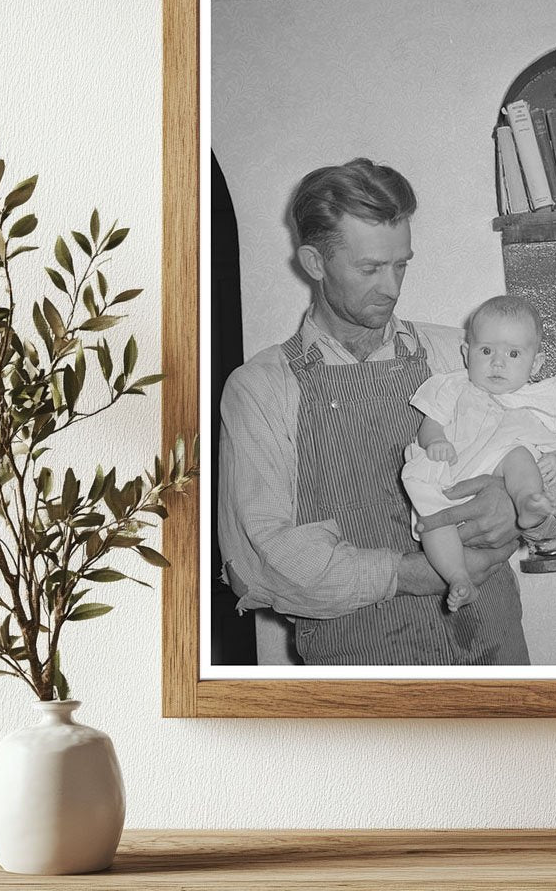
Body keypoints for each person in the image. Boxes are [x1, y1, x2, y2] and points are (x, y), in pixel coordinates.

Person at [218, 158, 534, 666]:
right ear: (315, 263)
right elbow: (257, 565)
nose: (392, 287)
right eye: (369, 269)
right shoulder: (260, 389)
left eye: (401, 264)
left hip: (496, 658)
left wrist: (517, 507)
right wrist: (405, 574)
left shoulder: (461, 355)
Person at [401, 295, 556, 611]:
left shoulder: (537, 403)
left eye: (513, 354)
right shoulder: (453, 387)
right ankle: (458, 577)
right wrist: (436, 441)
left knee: (519, 456)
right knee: (433, 519)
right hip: (452, 470)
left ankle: (527, 503)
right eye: (486, 351)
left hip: (498, 467)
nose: (498, 363)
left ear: (535, 364)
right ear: (465, 353)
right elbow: (430, 425)